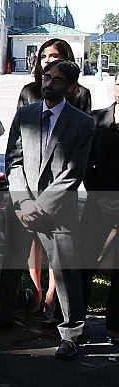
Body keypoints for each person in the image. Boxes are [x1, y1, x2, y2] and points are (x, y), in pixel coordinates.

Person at [0, 60, 94, 361]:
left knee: (65, 269)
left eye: (57, 80)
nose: (48, 84)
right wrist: (23, 201)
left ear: (71, 87)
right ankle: (4, 311)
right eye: (47, 77)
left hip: (57, 209)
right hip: (22, 203)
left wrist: (41, 205)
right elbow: (13, 160)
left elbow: (73, 174)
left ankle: (71, 331)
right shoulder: (25, 114)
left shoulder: (83, 123)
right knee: (11, 260)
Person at [16, 38, 91, 324]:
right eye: (44, 59)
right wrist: (24, 197)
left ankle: (59, 309)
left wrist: (44, 201)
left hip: (59, 196)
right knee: (30, 244)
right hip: (28, 192)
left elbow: (75, 161)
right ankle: (33, 293)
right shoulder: (27, 100)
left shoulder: (81, 107)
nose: (48, 62)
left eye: (55, 57)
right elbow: (16, 151)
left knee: (62, 257)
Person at [80, 72, 119, 344]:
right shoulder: (96, 119)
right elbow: (85, 162)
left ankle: (115, 323)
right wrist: (97, 193)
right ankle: (76, 320)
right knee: (83, 262)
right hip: (99, 201)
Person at [17, 38, 91, 112]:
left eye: (53, 56)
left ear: (65, 59)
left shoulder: (81, 94)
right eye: (43, 57)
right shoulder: (29, 91)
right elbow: (20, 121)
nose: (46, 60)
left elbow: (83, 122)